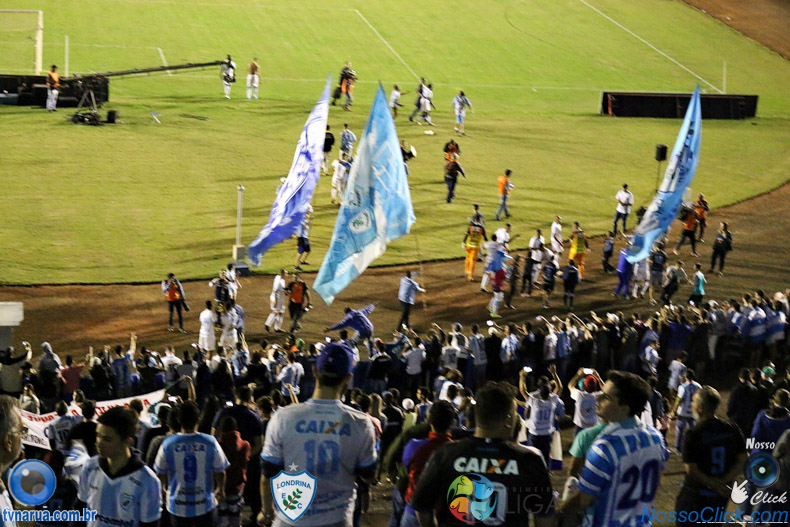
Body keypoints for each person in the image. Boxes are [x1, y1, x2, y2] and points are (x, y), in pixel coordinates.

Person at [259, 342, 378, 527]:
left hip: (290, 519)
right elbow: (369, 476)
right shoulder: (361, 423)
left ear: (315, 371)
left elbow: (268, 474)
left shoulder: (283, 417)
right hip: (336, 519)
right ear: (347, 378)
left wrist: (266, 512)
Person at [410, 382, 555, 527]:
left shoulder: (445, 454)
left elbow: (422, 506)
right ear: (509, 420)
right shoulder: (530, 460)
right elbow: (545, 519)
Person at [561, 371, 669, 527]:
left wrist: (557, 516)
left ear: (624, 408)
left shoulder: (605, 447)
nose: (598, 398)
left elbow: (583, 499)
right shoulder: (656, 438)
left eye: (606, 397)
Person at [674, 386, 747, 527]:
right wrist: (723, 481)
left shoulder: (694, 433)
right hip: (720, 496)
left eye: (694, 402)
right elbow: (743, 459)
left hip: (695, 497)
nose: (692, 405)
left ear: (700, 408)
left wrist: (712, 484)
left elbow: (692, 470)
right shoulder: (732, 429)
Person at [78, 406, 162, 527]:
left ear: (127, 441)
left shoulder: (148, 480)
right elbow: (81, 507)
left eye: (107, 439)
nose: (99, 442)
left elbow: (150, 524)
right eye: (98, 435)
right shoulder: (90, 466)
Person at [155, 401, 229, 526]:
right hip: (204, 505)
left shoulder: (168, 444)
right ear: (199, 419)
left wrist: (162, 491)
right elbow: (220, 471)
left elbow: (160, 472)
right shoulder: (210, 442)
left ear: (178, 420)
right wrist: (220, 489)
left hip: (177, 506)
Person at [398, 401, 456, 527]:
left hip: (414, 510)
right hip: (443, 514)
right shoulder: (456, 451)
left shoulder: (414, 446)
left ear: (428, 420)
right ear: (452, 423)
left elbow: (406, 466)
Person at [216, 417, 251, 527]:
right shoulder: (245, 445)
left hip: (220, 487)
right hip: (237, 485)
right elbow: (245, 464)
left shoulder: (217, 446)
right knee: (235, 517)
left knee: (222, 518)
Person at [671, 369, 702, 451]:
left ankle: (677, 448)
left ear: (685, 377)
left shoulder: (683, 387)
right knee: (693, 431)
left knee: (679, 430)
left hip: (683, 412)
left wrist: (674, 410)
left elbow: (679, 399)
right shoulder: (698, 386)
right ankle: (694, 447)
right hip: (693, 412)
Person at [462, 216, 487, 281]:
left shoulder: (470, 226)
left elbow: (466, 234)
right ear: (479, 220)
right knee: (472, 260)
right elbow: (485, 238)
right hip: (475, 246)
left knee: (467, 257)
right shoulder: (481, 228)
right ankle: (470, 276)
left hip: (468, 245)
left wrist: (463, 242)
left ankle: (467, 270)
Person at [294, 204, 313, 270]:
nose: (308, 215)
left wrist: (308, 222)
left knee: (308, 250)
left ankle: (302, 261)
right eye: (307, 214)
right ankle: (296, 266)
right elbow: (299, 230)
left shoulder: (305, 220)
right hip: (301, 238)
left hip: (305, 237)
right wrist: (298, 243)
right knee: (300, 252)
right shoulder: (300, 221)